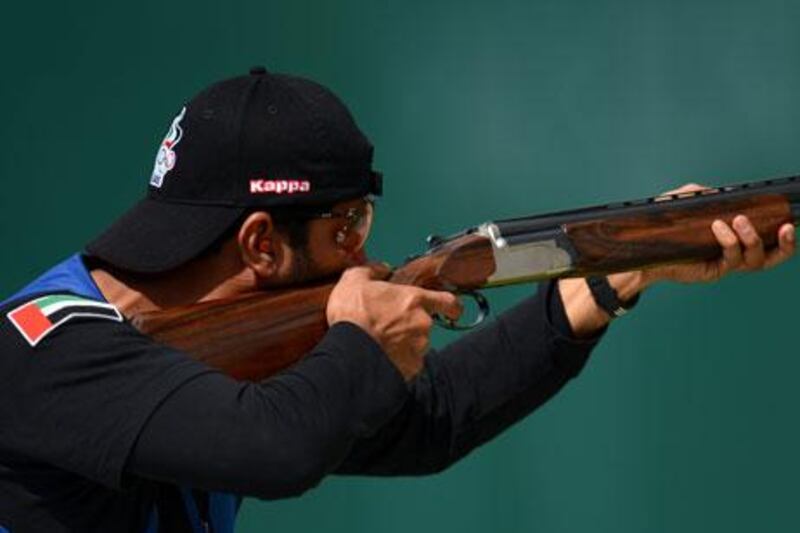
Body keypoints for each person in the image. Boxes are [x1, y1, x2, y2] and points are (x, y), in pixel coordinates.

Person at [0, 66, 794, 533]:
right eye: (350, 227)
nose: (369, 256)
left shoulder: (210, 361)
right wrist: (355, 339)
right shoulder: (42, 348)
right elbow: (275, 452)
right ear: (260, 245)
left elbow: (433, 420)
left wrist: (621, 272)